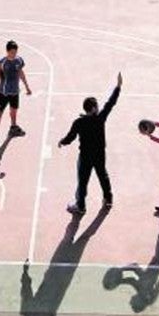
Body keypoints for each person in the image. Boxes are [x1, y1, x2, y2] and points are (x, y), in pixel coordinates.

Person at [58, 72, 122, 216]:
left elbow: (71, 137)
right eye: (97, 106)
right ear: (93, 108)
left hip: (86, 156)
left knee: (82, 182)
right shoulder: (100, 118)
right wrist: (118, 87)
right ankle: (108, 198)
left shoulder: (79, 122)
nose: (99, 107)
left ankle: (80, 206)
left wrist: (62, 141)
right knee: (103, 175)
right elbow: (110, 103)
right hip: (99, 154)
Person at [0, 40, 33, 146]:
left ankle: (13, 127)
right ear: (7, 51)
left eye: (15, 52)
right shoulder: (2, 63)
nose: (14, 54)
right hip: (3, 93)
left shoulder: (19, 60)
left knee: (14, 111)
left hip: (14, 92)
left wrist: (27, 87)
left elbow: (21, 73)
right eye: (12, 52)